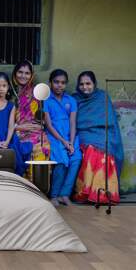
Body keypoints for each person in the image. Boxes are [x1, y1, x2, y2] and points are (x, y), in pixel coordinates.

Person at [73, 71, 124, 204]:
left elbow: (111, 121)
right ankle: (85, 192)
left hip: (102, 133)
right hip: (83, 133)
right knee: (91, 150)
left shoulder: (102, 97)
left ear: (94, 84)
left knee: (105, 152)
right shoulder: (75, 99)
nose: (85, 87)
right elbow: (74, 121)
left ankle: (103, 194)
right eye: (82, 84)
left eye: (88, 83)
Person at [43, 69, 82, 206]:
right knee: (61, 161)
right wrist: (64, 142)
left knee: (76, 158)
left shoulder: (71, 100)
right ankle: (54, 195)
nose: (59, 85)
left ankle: (64, 194)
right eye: (56, 82)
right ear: (50, 83)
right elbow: (48, 125)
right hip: (54, 137)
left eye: (63, 83)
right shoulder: (46, 100)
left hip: (70, 136)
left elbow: (72, 122)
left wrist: (71, 142)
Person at [0, 72, 32, 176]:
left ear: (8, 87)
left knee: (17, 157)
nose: (1, 89)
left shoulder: (11, 105)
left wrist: (6, 142)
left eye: (4, 86)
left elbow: (11, 126)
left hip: (8, 138)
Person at [10, 60, 50, 177]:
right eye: (20, 72)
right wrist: (18, 127)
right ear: (14, 73)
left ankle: (37, 185)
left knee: (42, 146)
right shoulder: (7, 92)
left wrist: (41, 125)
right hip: (14, 131)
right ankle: (23, 182)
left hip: (34, 130)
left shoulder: (36, 93)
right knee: (18, 147)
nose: (23, 76)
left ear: (31, 75)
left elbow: (42, 118)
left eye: (27, 73)